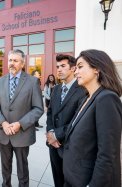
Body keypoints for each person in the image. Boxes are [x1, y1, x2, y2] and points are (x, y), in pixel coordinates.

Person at [63, 49, 122, 187]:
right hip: (74, 177)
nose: (75, 71)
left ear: (97, 69)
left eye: (80, 66)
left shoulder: (107, 98)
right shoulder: (87, 98)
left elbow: (108, 154)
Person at [0, 49, 44, 187]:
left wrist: (20, 123)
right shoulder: (0, 82)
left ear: (22, 63)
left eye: (15, 61)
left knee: (22, 169)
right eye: (10, 60)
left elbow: (38, 108)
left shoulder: (32, 82)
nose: (12, 63)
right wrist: (3, 122)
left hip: (22, 134)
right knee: (5, 168)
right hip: (4, 133)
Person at [46, 54, 86, 187]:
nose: (59, 69)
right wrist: (50, 132)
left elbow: (78, 121)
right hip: (53, 146)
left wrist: (56, 135)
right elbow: (50, 112)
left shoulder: (83, 90)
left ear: (73, 69)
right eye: (57, 66)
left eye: (63, 66)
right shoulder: (56, 89)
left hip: (70, 147)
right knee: (57, 180)